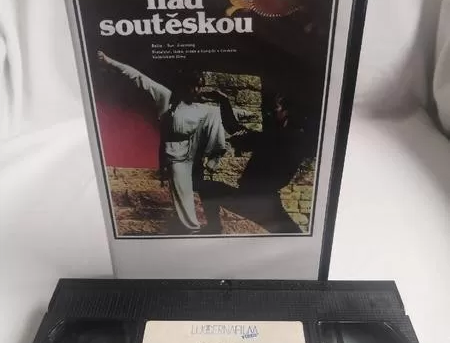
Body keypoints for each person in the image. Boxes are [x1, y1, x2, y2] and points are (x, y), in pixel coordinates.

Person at [97, 51, 226, 233]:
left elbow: (221, 119)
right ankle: (192, 228)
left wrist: (224, 102)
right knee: (182, 190)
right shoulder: (166, 97)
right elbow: (138, 77)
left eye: (199, 86)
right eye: (193, 86)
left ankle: (215, 155)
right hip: (175, 155)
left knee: (213, 112)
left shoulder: (203, 108)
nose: (197, 90)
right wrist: (109, 61)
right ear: (184, 85)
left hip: (195, 152)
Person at [199, 90, 307, 234]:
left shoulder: (285, 137)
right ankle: (214, 229)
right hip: (253, 197)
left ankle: (214, 229)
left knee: (291, 234)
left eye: (277, 107)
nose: (272, 111)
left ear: (287, 112)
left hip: (260, 200)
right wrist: (224, 101)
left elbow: (234, 129)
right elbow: (237, 131)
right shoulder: (284, 135)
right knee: (207, 188)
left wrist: (224, 101)